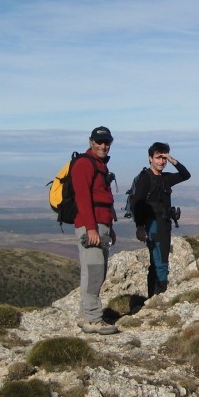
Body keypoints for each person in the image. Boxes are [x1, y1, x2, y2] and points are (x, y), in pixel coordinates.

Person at [73, 126, 119, 335]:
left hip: (102, 226)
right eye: (99, 142)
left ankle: (85, 315)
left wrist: (110, 227)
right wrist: (91, 229)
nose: (103, 145)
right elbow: (83, 198)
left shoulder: (100, 165)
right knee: (94, 271)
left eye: (106, 142)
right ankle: (93, 319)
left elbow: (103, 200)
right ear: (91, 142)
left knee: (91, 271)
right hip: (90, 226)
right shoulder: (84, 163)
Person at [132, 142, 191, 298]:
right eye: (158, 157)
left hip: (165, 224)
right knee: (161, 263)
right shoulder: (145, 178)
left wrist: (173, 160)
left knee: (157, 261)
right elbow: (136, 203)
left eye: (163, 158)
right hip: (153, 225)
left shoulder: (165, 178)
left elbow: (186, 175)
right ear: (150, 158)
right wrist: (140, 227)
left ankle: (152, 297)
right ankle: (160, 296)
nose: (161, 161)